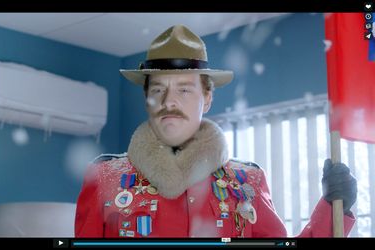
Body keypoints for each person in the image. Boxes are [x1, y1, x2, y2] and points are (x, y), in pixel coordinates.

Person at [75, 25, 357, 237]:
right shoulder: (104, 179)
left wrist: (333, 208)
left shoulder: (247, 182)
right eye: (158, 89)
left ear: (207, 98)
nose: (169, 101)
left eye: (184, 89)